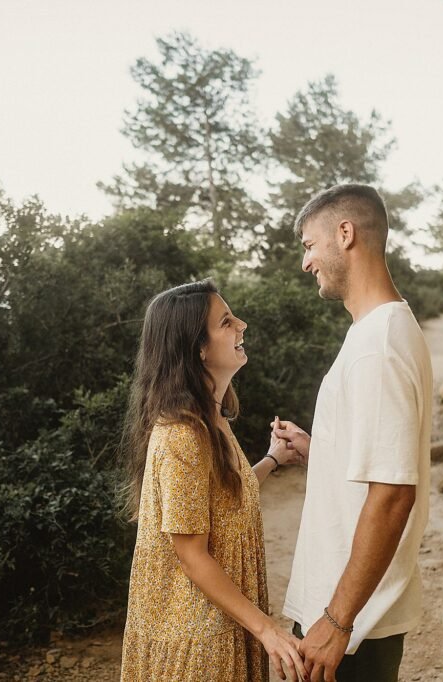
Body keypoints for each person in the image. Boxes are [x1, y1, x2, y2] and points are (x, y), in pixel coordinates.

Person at [274, 184, 432, 682]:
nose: (305, 263)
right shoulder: (378, 332)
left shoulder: (377, 345)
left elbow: (391, 494)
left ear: (345, 234)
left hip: (350, 620)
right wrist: (322, 453)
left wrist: (338, 620)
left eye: (308, 245)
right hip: (350, 610)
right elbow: (384, 461)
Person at [120, 280, 308, 682]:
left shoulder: (212, 418)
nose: (242, 325)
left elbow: (222, 498)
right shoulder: (181, 434)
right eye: (226, 321)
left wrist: (272, 460)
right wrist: (267, 630)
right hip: (194, 634)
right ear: (198, 348)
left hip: (217, 622)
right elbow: (192, 555)